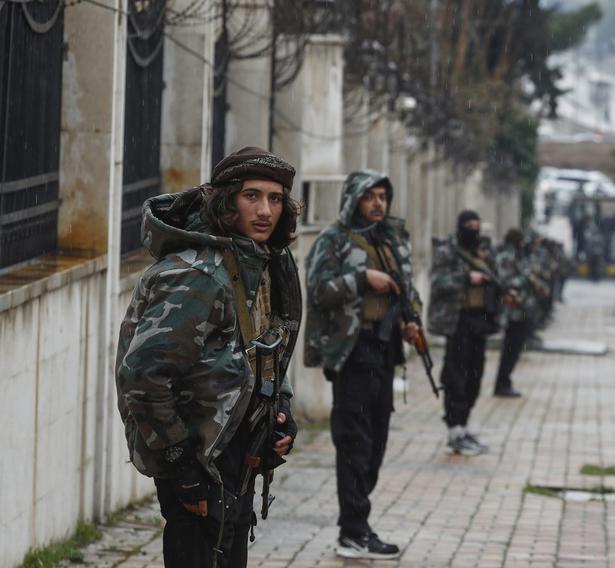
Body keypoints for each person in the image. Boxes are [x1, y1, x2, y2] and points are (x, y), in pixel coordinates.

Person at [115, 147, 303, 567]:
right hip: (198, 455)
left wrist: (280, 409)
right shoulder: (197, 274)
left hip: (236, 451)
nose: (265, 210)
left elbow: (267, 348)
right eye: (251, 195)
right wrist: (181, 464)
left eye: (275, 199)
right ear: (226, 199)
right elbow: (143, 380)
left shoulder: (260, 262)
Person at [304, 169, 422, 560]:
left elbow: (409, 289)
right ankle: (353, 529)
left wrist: (411, 320)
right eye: (369, 196)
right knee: (353, 442)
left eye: (382, 197)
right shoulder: (334, 240)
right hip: (352, 351)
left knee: (376, 442)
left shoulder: (391, 240)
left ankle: (356, 520)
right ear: (353, 198)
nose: (378, 204)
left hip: (385, 349)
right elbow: (318, 290)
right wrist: (361, 278)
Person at [428, 210, 515, 455]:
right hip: (457, 321)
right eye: (469, 225)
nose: (473, 229)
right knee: (455, 376)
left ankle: (464, 426)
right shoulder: (447, 251)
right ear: (460, 227)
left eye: (477, 225)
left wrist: (503, 292)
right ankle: (454, 428)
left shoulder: (485, 252)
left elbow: (498, 278)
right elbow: (437, 282)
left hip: (480, 321)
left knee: (475, 376)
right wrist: (466, 278)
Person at [493, 229, 542, 398]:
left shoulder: (518, 255)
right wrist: (526, 279)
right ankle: (502, 384)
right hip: (512, 310)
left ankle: (505, 382)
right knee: (510, 349)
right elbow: (504, 281)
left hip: (521, 309)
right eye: (522, 240)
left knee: (516, 349)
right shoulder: (506, 256)